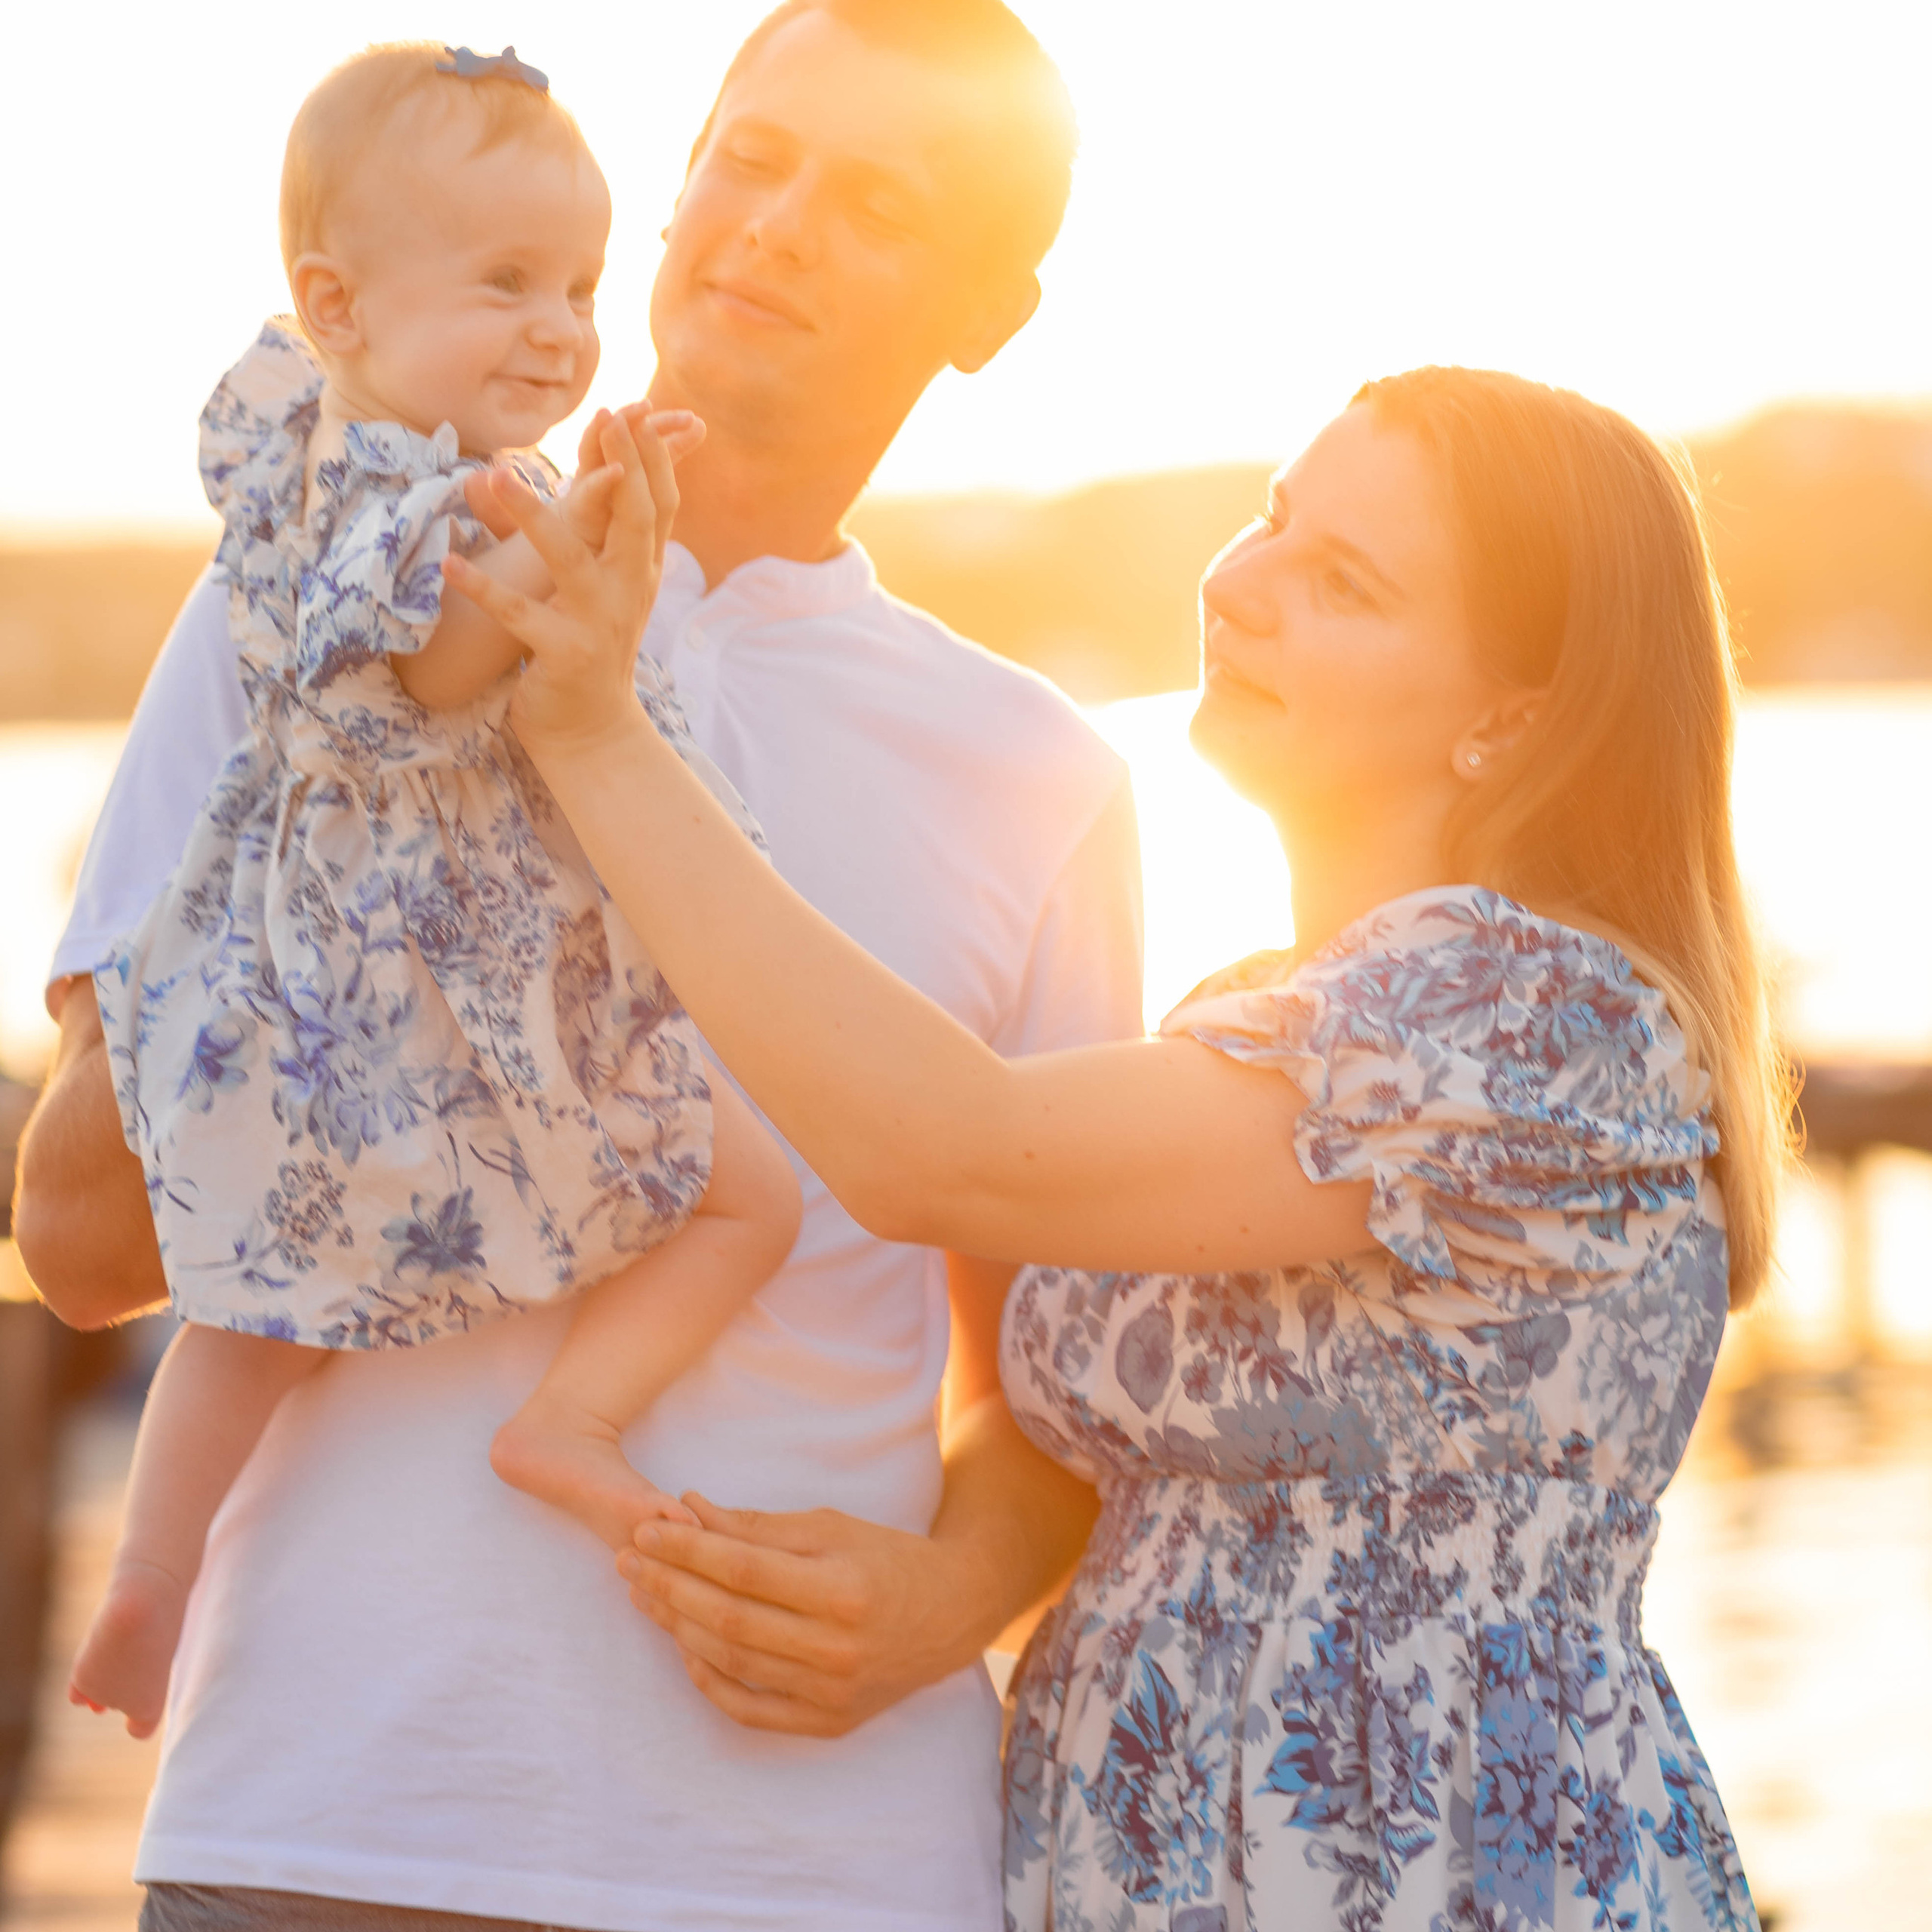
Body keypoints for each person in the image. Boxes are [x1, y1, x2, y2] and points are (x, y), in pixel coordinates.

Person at [16, 4, 1140, 1927]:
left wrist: (945, 1599)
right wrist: (354, 797)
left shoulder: (1037, 773)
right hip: (327, 1816)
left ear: (991, 312)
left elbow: (1060, 1393)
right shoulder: (305, 594)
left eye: (870, 200)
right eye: (750, 157)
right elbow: (85, 1238)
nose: (772, 227)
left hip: (821, 1863)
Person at [454, 365, 1786, 1930]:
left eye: (1341, 584)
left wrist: (601, 734)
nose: (1239, 584)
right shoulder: (1253, 1019)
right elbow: (1048, 1414)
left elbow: (936, 1147)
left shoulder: (1531, 1014)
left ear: (1512, 713)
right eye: (1271, 519)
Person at [68, 41, 802, 1745]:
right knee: (746, 1192)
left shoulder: (312, 476)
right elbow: (454, 653)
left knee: (261, 1296)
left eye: (579, 287)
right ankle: (572, 1420)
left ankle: (155, 1566)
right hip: (457, 999)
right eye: (504, 284)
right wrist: (589, 532)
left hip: (326, 1000)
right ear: (337, 303)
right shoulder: (427, 494)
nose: (560, 326)